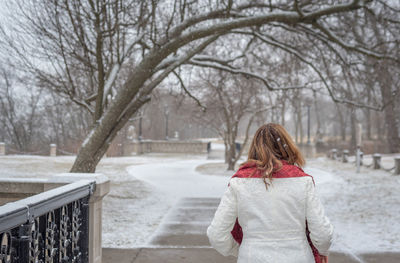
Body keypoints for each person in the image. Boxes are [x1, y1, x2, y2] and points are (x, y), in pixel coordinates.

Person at [207, 123, 333, 263]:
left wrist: (241, 249)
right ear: (287, 146)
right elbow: (322, 233)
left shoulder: (240, 183)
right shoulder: (303, 182)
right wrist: (322, 250)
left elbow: (216, 234)